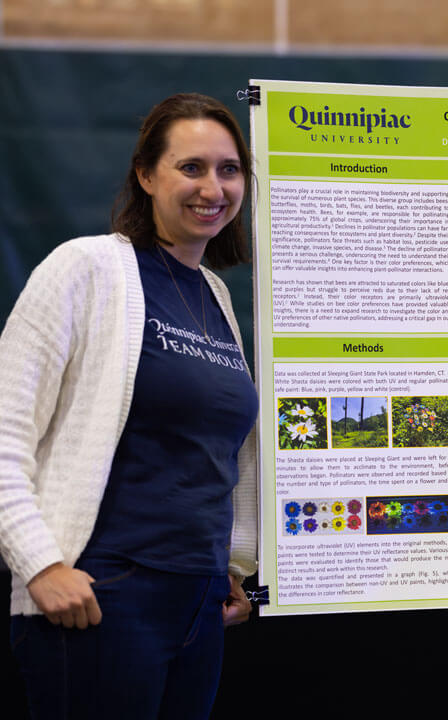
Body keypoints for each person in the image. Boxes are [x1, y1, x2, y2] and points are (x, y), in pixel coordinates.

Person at [0, 93, 258, 719]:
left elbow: (215, 452)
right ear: (146, 175)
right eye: (190, 167)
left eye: (229, 170)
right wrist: (41, 566)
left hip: (198, 603)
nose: (213, 188)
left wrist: (231, 566)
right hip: (102, 595)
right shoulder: (84, 268)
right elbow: (5, 432)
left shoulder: (216, 295)